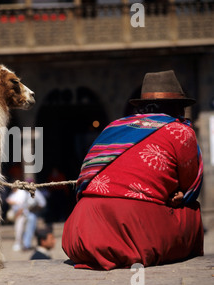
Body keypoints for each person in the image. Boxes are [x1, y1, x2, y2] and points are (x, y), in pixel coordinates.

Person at [62, 70, 204, 270]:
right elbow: (190, 186)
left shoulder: (114, 127)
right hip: (135, 237)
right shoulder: (180, 130)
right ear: (178, 108)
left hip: (80, 235)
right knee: (192, 212)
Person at [6, 185, 47, 251]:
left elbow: (43, 203)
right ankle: (24, 244)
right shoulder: (24, 193)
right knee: (21, 228)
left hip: (33, 213)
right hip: (24, 213)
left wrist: (35, 208)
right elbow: (23, 205)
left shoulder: (36, 192)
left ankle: (27, 244)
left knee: (30, 228)